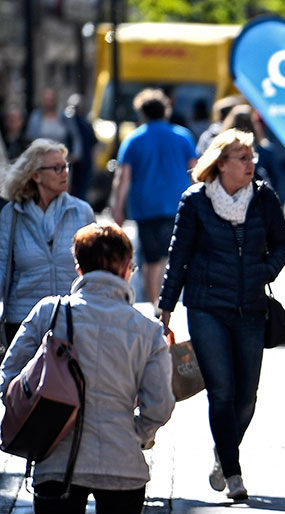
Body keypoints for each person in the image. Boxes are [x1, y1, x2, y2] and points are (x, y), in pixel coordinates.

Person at [0, 222, 175, 514]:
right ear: (128, 266)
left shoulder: (50, 312)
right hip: (122, 464)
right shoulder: (147, 330)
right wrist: (136, 434)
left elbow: (9, 375)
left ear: (78, 268)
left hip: (56, 459)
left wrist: (38, 420)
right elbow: (160, 404)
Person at [158, 128, 285, 501]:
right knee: (221, 390)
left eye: (252, 158)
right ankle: (233, 473)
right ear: (222, 163)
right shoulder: (195, 201)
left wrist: (264, 272)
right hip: (206, 306)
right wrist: (165, 306)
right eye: (244, 158)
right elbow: (178, 257)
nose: (252, 164)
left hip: (251, 306)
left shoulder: (263, 198)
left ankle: (224, 450)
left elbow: (284, 242)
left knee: (247, 394)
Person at [0, 139, 95, 343]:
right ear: (36, 176)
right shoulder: (11, 215)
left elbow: (95, 270)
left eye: (66, 166)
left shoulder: (82, 212)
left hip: (71, 320)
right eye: (56, 168)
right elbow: (1, 268)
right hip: (23, 323)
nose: (64, 173)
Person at [111, 88, 197, 308]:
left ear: (142, 113)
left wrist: (117, 208)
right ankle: (169, 302)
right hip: (177, 204)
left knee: (150, 260)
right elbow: (195, 171)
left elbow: (123, 176)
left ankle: (156, 306)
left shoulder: (133, 139)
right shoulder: (183, 136)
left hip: (145, 206)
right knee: (171, 255)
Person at [63, 94, 97, 203]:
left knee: (79, 191)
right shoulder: (70, 122)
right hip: (76, 162)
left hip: (82, 162)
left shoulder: (84, 123)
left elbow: (92, 142)